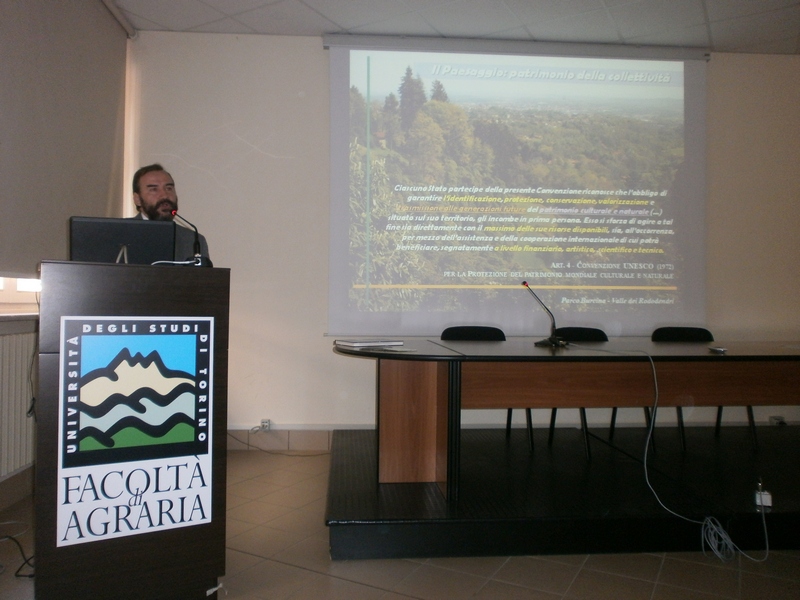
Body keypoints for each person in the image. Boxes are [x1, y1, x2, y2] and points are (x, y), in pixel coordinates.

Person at [131, 163, 211, 263]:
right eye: (154, 189)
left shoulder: (193, 241)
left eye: (169, 188)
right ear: (137, 199)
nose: (164, 195)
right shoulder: (121, 234)